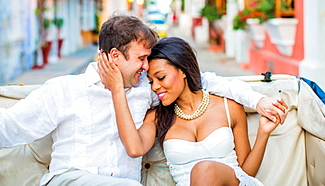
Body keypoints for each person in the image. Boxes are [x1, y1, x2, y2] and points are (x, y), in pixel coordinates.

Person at [0, 15, 286, 186]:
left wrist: (257, 101)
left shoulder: (148, 90)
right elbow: (1, 130)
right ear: (116, 56)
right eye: (143, 58)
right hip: (70, 180)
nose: (149, 68)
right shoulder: (65, 90)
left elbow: (202, 80)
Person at [97, 36, 286, 186]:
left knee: (204, 169)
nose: (155, 87)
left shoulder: (229, 107)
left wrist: (263, 134)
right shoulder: (157, 116)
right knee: (202, 170)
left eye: (161, 77)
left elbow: (246, 174)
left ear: (183, 70)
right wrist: (117, 90)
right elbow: (134, 148)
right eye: (151, 81)